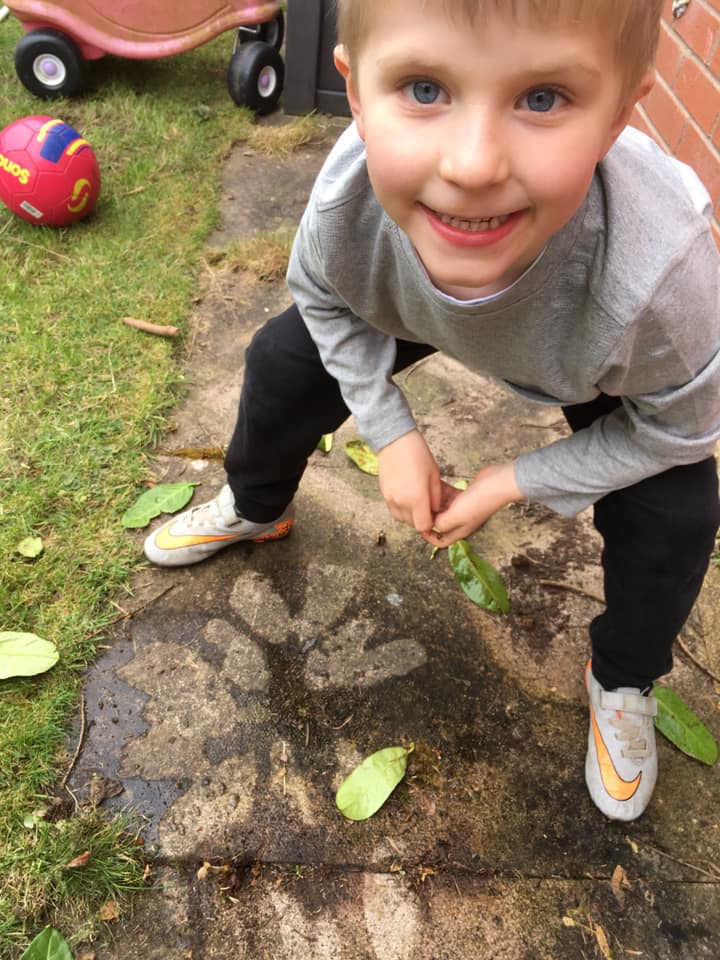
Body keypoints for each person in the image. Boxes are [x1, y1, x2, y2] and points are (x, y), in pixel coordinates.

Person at [144, 0, 720, 821]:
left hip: (585, 363)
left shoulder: (660, 276)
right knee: (280, 359)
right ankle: (256, 505)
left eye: (543, 98)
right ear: (356, 92)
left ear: (620, 115)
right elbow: (320, 296)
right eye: (424, 88)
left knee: (677, 509)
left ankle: (624, 677)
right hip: (410, 302)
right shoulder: (350, 196)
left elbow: (679, 427)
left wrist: (510, 481)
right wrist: (390, 431)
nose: (473, 164)